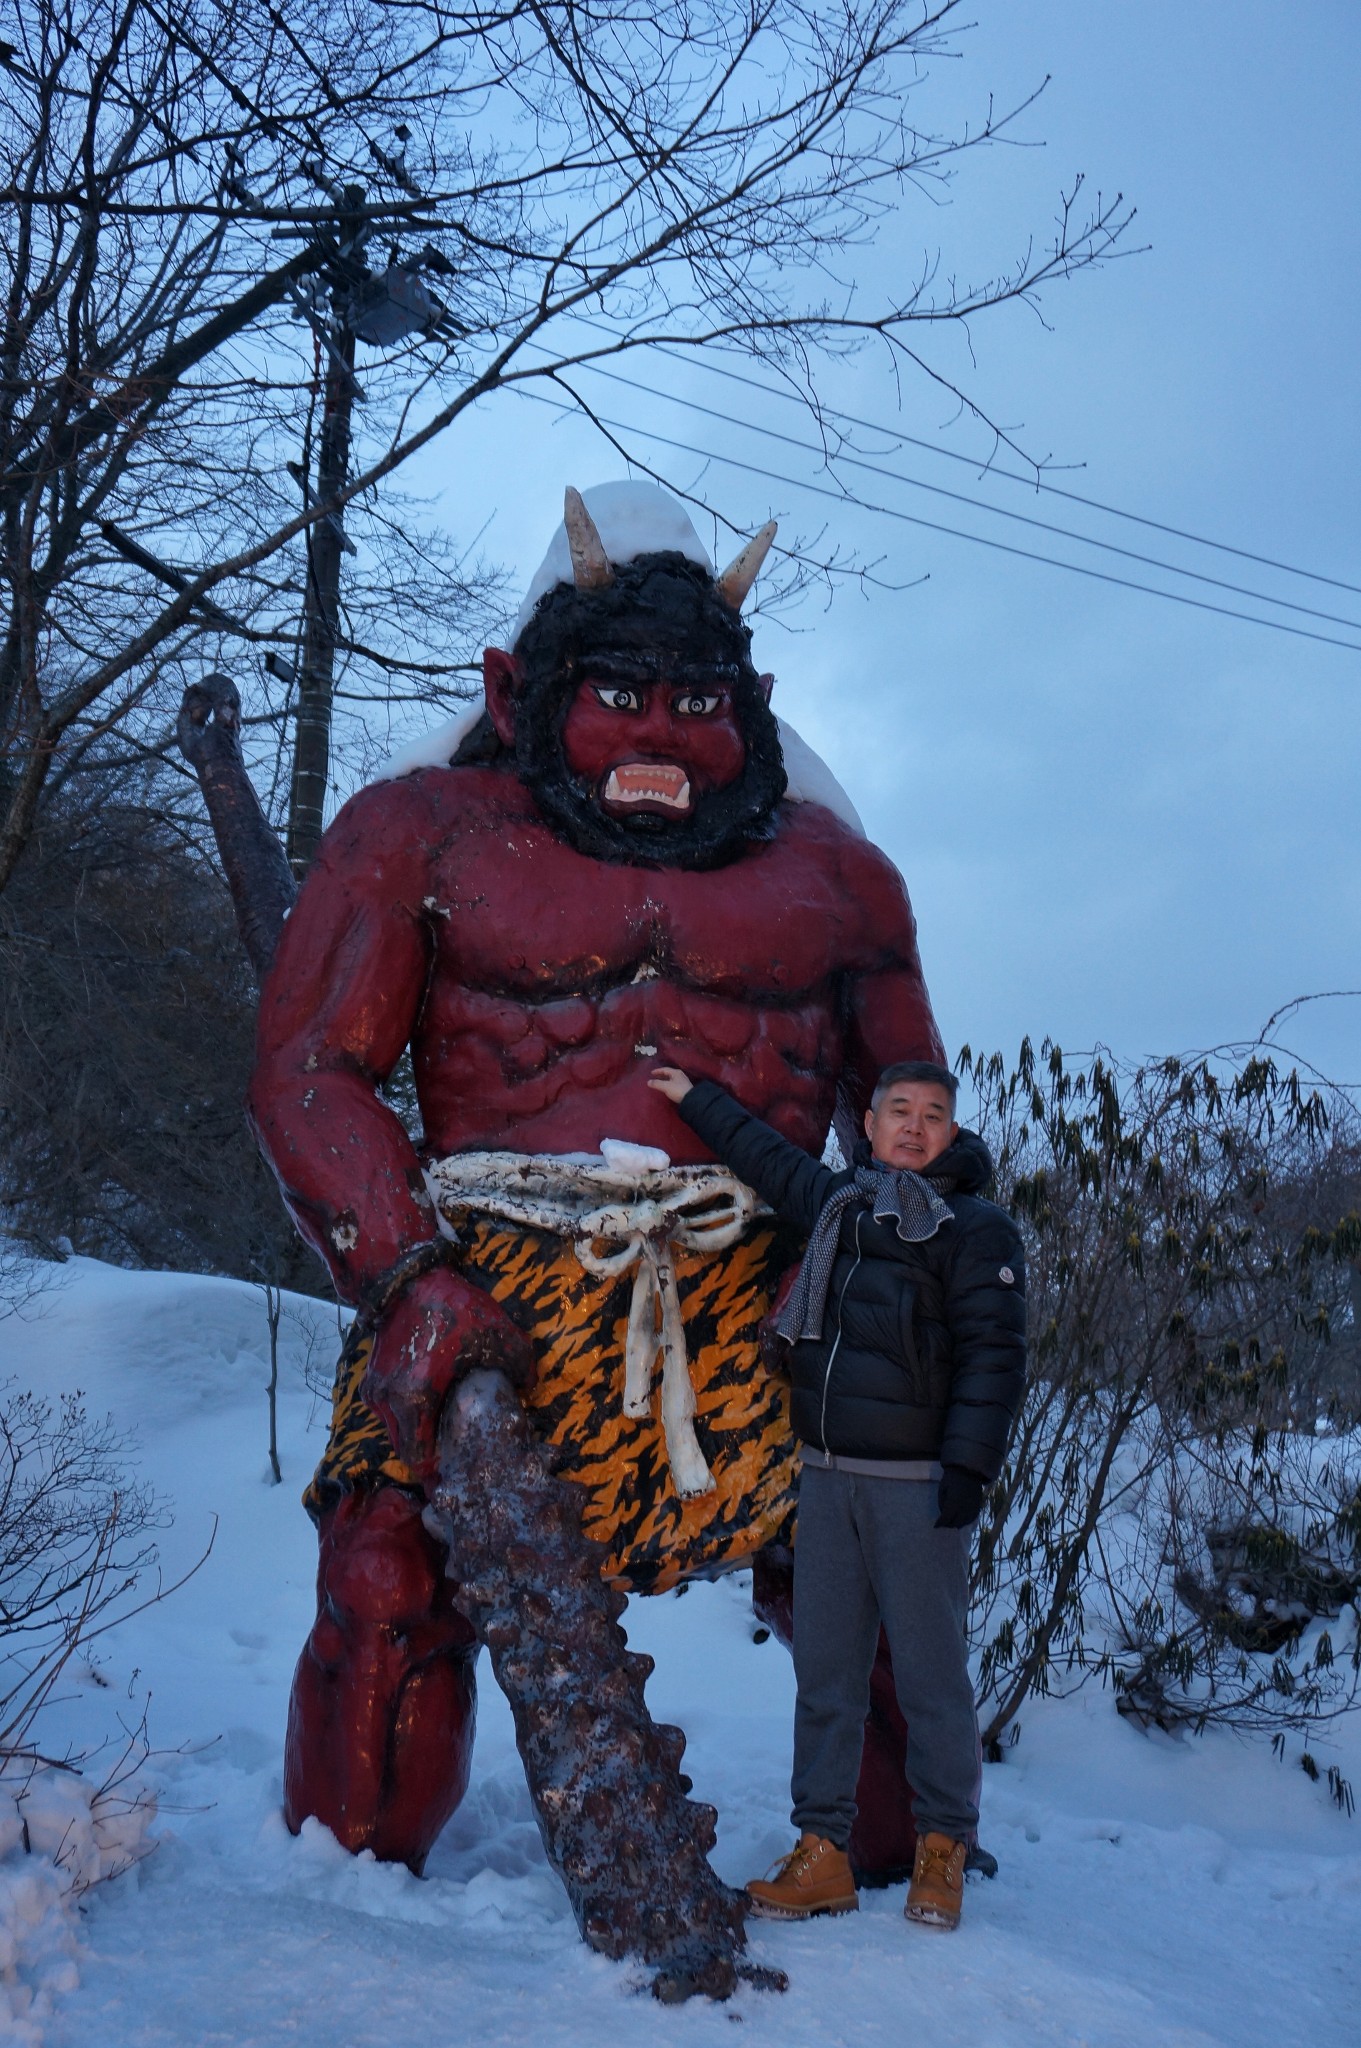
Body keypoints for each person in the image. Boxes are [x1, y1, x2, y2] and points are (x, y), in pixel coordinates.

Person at [246, 480, 949, 1874]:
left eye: (697, 703)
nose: (659, 738)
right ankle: (336, 1893)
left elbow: (909, 1110)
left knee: (869, 1571)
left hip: (761, 1285)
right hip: (485, 1279)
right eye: (619, 692)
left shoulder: (840, 880)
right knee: (389, 1574)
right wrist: (402, 1272)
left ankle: (901, 1879)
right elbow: (311, 1072)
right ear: (518, 690)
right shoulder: (417, 833)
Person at [648, 1057, 1027, 1931]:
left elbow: (994, 1358)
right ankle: (821, 1851)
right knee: (826, 1675)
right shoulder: (840, 1208)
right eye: (899, 1110)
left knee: (930, 1676)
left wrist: (966, 1473)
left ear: (951, 1132)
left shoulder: (975, 1229)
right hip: (823, 1478)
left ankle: (943, 1849)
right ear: (870, 1123)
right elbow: (767, 1158)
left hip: (915, 1487)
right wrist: (692, 1097)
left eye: (934, 1114)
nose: (914, 1126)